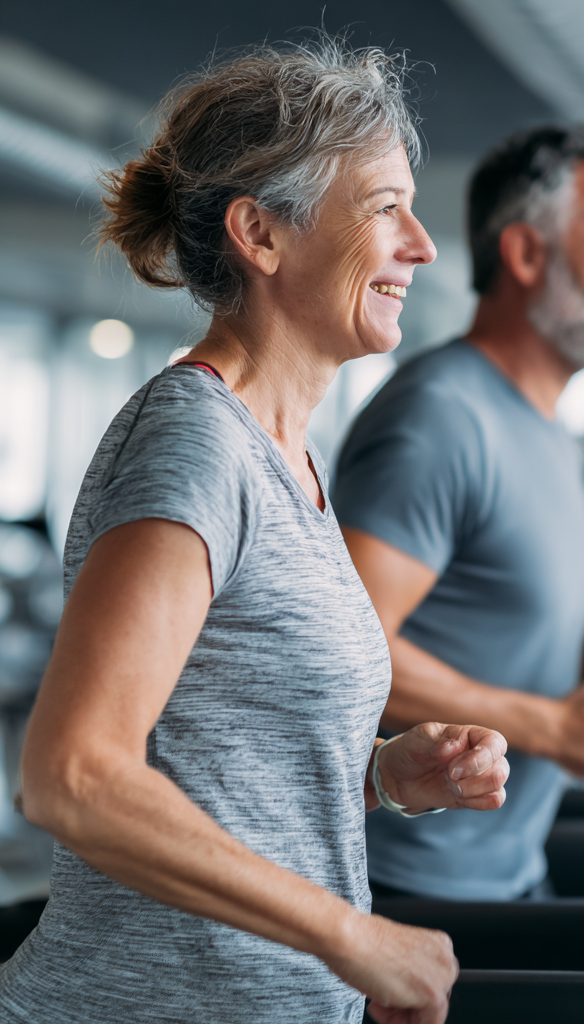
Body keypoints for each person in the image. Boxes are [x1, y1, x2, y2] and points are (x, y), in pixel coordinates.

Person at [0, 41, 511, 1024]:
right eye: (382, 208)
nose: (422, 243)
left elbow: (215, 765)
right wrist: (351, 933)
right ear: (260, 235)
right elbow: (71, 776)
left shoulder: (288, 460)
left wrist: (383, 775)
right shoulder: (197, 446)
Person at [332, 126, 584, 902]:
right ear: (527, 255)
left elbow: (517, 633)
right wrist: (549, 727)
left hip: (502, 869)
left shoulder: (549, 430)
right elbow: (345, 652)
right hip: (400, 883)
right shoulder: (441, 416)